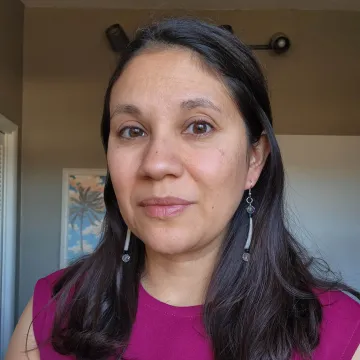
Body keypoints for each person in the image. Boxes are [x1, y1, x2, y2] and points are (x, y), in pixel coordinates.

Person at [6, 17, 360, 360]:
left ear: (254, 159)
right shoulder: (52, 312)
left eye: (199, 127)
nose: (157, 164)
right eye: (132, 130)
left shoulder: (341, 334)